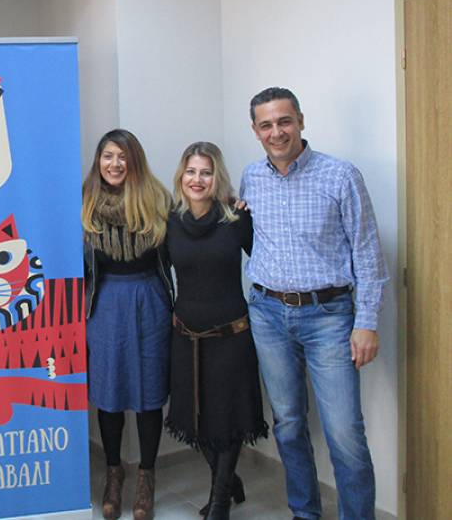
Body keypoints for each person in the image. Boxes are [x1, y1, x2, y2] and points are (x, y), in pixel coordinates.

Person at [240, 87, 388, 520]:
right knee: (287, 423)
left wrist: (367, 322)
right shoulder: (251, 177)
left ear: (301, 121)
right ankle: (305, 513)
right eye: (266, 125)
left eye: (284, 121)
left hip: (329, 318)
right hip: (268, 314)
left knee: (344, 433)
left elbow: (367, 253)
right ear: (255, 131)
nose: (276, 132)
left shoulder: (340, 176)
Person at [164, 142, 268, 520]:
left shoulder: (236, 219)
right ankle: (228, 480)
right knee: (195, 420)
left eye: (205, 172)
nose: (197, 179)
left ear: (216, 177)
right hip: (185, 337)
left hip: (230, 336)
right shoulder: (169, 221)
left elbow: (268, 260)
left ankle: (219, 502)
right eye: (191, 171)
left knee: (228, 418)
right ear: (181, 176)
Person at [82, 129, 173, 520]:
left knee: (149, 392)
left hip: (149, 300)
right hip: (103, 304)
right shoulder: (84, 202)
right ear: (98, 160)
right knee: (110, 392)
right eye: (108, 156)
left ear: (134, 160)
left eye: (122, 156)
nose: (114, 164)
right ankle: (114, 474)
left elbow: (184, 243)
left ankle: (147, 477)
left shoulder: (158, 200)